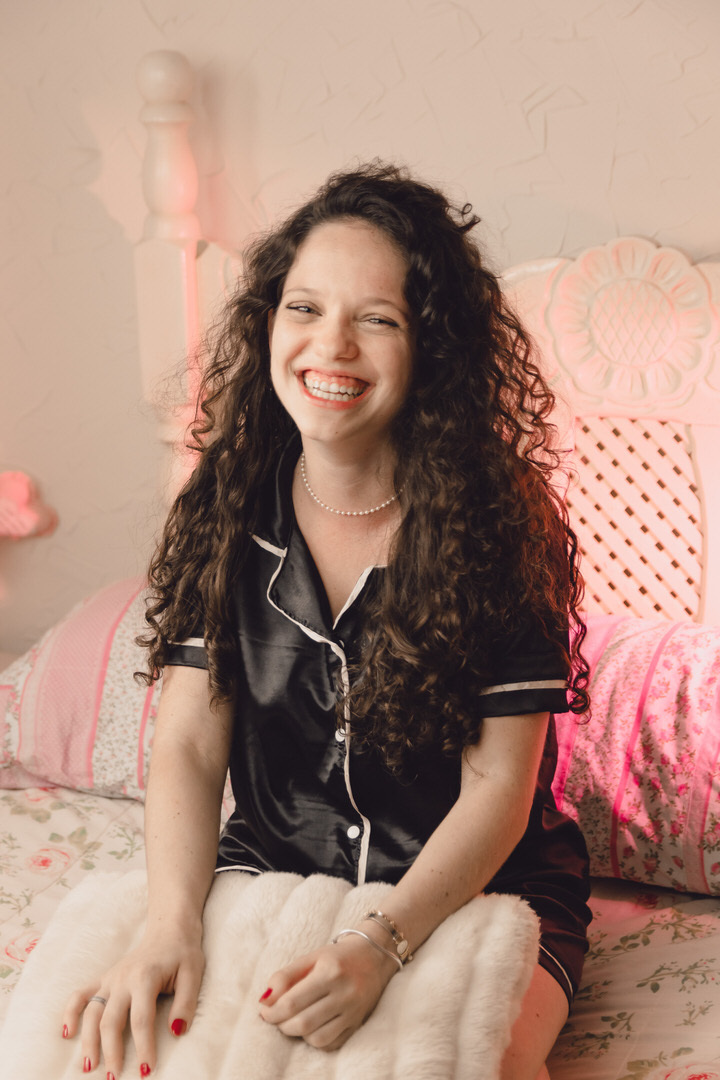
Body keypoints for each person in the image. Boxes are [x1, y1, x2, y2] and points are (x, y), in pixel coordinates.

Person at [62, 162, 591, 1080]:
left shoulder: (503, 522)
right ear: (268, 323)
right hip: (274, 866)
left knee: (473, 1067)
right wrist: (170, 923)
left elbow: (499, 789)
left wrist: (379, 943)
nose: (330, 346)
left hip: (480, 886)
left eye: (377, 319)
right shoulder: (224, 504)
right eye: (304, 308)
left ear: (431, 346)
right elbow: (189, 743)